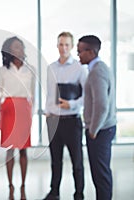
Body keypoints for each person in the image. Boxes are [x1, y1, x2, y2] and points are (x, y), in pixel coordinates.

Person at [43, 32, 88, 200]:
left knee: (77, 162)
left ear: (72, 46)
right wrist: (48, 113)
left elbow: (86, 97)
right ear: (57, 46)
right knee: (56, 161)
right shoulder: (51, 68)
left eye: (67, 45)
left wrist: (72, 104)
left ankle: (79, 194)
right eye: (61, 44)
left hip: (72, 121)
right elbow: (49, 94)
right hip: (53, 120)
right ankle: (54, 192)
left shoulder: (79, 68)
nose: (63, 48)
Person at [77, 35, 117, 200]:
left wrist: (93, 130)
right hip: (103, 128)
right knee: (102, 173)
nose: (78, 54)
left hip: (100, 131)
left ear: (91, 52)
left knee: (100, 175)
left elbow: (101, 105)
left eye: (80, 51)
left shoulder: (97, 72)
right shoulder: (98, 69)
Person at [0, 36, 36, 200]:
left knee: (24, 150)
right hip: (8, 111)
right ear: (9, 51)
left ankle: (23, 184)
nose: (18, 50)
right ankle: (10, 184)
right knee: (9, 150)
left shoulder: (30, 69)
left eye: (20, 46)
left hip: (24, 110)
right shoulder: (3, 70)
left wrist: (31, 116)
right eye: (15, 47)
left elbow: (33, 96)